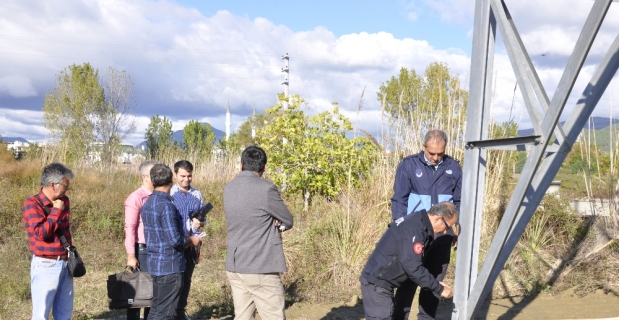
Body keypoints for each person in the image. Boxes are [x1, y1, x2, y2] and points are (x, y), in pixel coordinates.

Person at [391, 129, 463, 320]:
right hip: (415, 233)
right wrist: (398, 228)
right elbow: (399, 200)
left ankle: (426, 318)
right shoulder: (408, 165)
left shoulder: (453, 167)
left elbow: (459, 200)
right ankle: (399, 317)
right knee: (408, 279)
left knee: (434, 281)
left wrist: (457, 225)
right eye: (432, 153)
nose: (436, 157)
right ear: (424, 147)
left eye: (440, 153)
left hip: (443, 234)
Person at [223, 145, 294, 320]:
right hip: (260, 266)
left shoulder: (229, 188)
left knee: (242, 316)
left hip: (235, 265)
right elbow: (288, 220)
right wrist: (277, 225)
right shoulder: (266, 188)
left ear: (241, 165)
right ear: (264, 167)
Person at [360, 202, 458, 320]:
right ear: (438, 218)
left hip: (383, 283)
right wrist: (439, 288)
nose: (446, 231)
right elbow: (413, 267)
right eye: (447, 226)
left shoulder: (420, 223)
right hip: (377, 284)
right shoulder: (414, 229)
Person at [141, 163, 200, 320]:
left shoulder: (148, 203)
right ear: (172, 179)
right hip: (170, 267)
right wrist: (191, 240)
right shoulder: (166, 205)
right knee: (166, 313)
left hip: (155, 264)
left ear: (152, 180)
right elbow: (175, 240)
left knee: (156, 310)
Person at [22, 162, 75, 320]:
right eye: (65, 185)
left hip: (66, 263)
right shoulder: (32, 204)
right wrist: (56, 211)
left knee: (64, 313)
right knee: (41, 314)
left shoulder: (64, 200)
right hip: (46, 265)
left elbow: (64, 231)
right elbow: (41, 234)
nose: (67, 189)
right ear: (53, 184)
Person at [169, 160, 205, 320]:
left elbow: (202, 218)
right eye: (183, 176)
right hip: (175, 243)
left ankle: (180, 312)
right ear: (175, 174)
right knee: (175, 280)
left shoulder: (197, 194)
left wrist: (201, 222)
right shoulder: (169, 193)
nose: (186, 179)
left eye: (189, 176)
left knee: (186, 280)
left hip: (192, 245)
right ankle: (171, 312)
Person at [124, 160, 157, 320]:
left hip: (157, 250)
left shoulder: (160, 196)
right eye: (154, 174)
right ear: (144, 177)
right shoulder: (136, 198)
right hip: (142, 250)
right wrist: (131, 255)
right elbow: (130, 228)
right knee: (138, 295)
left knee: (153, 294)